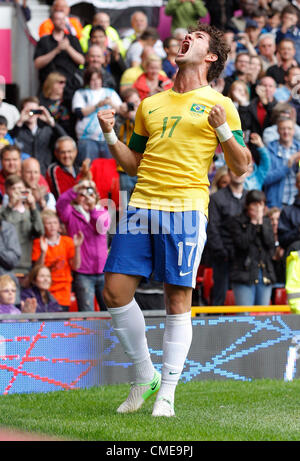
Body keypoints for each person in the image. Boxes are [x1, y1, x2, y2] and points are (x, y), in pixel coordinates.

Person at [97, 22, 251, 417]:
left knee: (176, 299)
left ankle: (166, 394)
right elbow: (133, 162)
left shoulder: (221, 105)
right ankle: (145, 374)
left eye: (197, 37)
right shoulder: (151, 103)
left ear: (211, 56)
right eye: (186, 36)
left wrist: (223, 131)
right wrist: (112, 135)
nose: (187, 38)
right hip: (142, 203)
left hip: (185, 208)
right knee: (114, 292)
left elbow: (242, 169)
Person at [56, 179, 111, 312]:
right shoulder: (70, 213)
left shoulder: (102, 211)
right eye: (82, 195)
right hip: (83, 272)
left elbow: (102, 228)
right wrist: (75, 190)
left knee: (110, 311)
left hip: (103, 271)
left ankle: (110, 334)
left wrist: (92, 209)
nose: (86, 198)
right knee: (87, 312)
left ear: (96, 196)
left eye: (90, 194)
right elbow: (60, 204)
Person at [206, 169, 248, 306]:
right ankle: (215, 327)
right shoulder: (217, 198)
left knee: (243, 302)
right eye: (234, 170)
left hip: (245, 259)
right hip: (223, 258)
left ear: (247, 174)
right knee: (220, 298)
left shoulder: (250, 198)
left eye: (241, 170)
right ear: (229, 173)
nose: (238, 173)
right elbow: (213, 228)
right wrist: (222, 253)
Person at [228, 189, 276, 306]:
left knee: (263, 317)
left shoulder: (266, 222)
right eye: (255, 204)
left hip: (264, 273)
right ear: (247, 206)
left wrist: (260, 223)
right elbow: (242, 244)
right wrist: (253, 223)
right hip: (244, 274)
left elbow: (270, 244)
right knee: (245, 316)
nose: (258, 208)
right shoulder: (237, 221)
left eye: (261, 204)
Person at [32, 210, 83, 310]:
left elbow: (76, 266)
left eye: (55, 223)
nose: (52, 226)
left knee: (61, 321)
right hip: (45, 289)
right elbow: (37, 269)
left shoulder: (67, 241)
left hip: (63, 289)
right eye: (49, 223)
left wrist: (77, 248)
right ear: (43, 226)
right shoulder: (38, 242)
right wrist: (43, 252)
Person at [72, 67, 122, 165]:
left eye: (98, 79)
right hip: (87, 138)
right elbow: (79, 112)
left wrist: (111, 103)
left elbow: (121, 110)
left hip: (108, 137)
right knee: (88, 167)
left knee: (108, 170)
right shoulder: (81, 93)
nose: (96, 82)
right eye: (93, 79)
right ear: (88, 81)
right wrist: (97, 105)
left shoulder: (110, 92)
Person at [34, 10, 85, 103]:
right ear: (52, 21)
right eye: (58, 19)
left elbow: (82, 60)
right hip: (49, 88)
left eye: (63, 19)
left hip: (69, 87)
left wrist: (68, 48)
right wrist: (56, 50)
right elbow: (37, 64)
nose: (62, 21)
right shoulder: (44, 41)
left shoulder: (73, 39)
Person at [0, 175, 44, 279]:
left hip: (25, 267)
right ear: (7, 191)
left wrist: (33, 206)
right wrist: (10, 205)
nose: (17, 192)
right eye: (13, 189)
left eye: (20, 189)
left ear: (25, 191)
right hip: (4, 266)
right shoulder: (2, 211)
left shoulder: (30, 213)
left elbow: (39, 231)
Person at [9, 96, 67, 175]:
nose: (31, 114)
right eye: (28, 111)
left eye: (35, 111)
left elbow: (65, 140)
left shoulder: (47, 130)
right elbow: (7, 142)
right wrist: (19, 122)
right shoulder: (18, 131)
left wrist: (51, 122)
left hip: (44, 172)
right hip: (24, 172)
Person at [264, 116, 300, 208]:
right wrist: (288, 165)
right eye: (283, 128)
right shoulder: (269, 150)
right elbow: (265, 179)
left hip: (297, 203)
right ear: (277, 131)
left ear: (294, 131)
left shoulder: (299, 149)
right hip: (277, 204)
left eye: (289, 128)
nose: (286, 132)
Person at [39, 71, 75, 138]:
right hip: (49, 136)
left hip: (68, 135)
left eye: (64, 83)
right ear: (51, 83)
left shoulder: (69, 100)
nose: (63, 85)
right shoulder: (42, 102)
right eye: (60, 82)